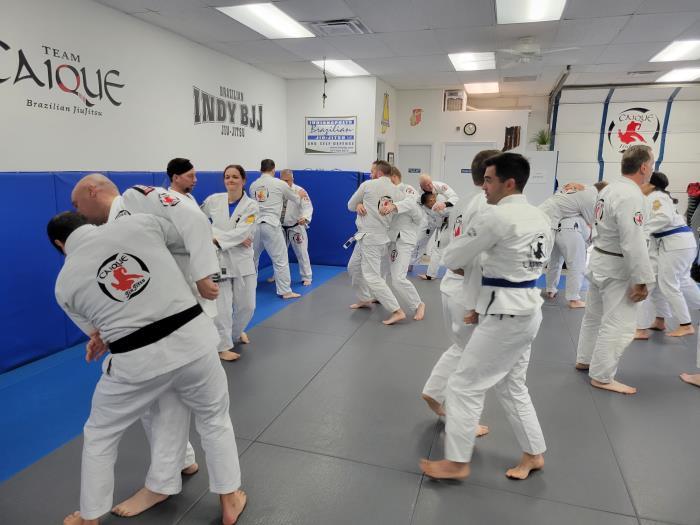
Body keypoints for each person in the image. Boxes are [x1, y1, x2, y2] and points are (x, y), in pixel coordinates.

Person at [48, 211, 246, 525]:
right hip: (194, 343)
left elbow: (97, 332)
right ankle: (229, 497)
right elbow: (192, 240)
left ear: (60, 244)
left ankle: (90, 517)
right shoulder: (138, 223)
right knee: (214, 418)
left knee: (100, 434)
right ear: (88, 223)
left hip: (138, 363)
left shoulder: (64, 284)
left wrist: (104, 334)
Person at [71, 173, 218, 515]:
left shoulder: (137, 200)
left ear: (93, 191)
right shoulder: (112, 227)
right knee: (160, 406)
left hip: (178, 318)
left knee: (166, 405)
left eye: (77, 204)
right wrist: (103, 334)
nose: (79, 212)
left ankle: (162, 484)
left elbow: (195, 220)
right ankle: (183, 461)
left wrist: (203, 272)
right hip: (160, 322)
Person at [420, 152, 552, 481]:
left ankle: (456, 462)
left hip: (506, 315)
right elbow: (509, 267)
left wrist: (476, 287)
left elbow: (454, 257)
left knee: (464, 385)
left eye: (490, 180)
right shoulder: (539, 216)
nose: (484, 186)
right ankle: (534, 453)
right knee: (512, 385)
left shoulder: (496, 217)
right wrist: (479, 305)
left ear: (509, 183)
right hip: (525, 308)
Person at [421, 148, 500, 434]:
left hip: (451, 285)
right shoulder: (487, 206)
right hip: (468, 288)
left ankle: (434, 391)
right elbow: (479, 256)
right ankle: (462, 420)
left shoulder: (464, 201)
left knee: (462, 348)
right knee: (475, 358)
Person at [575, 145, 655, 395]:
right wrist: (641, 279)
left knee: (593, 317)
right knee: (618, 324)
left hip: (600, 260)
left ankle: (585, 359)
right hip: (618, 267)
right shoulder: (631, 195)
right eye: (651, 164)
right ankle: (602, 375)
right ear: (644, 167)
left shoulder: (609, 189)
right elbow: (633, 240)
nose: (652, 169)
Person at [201, 165, 258, 361]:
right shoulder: (213, 200)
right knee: (222, 308)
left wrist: (216, 237)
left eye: (235, 177)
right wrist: (222, 237)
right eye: (227, 177)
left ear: (243, 180)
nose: (230, 180)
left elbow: (243, 232)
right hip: (218, 259)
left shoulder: (251, 205)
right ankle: (222, 346)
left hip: (243, 261)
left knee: (248, 306)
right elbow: (198, 221)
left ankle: (236, 332)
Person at [635, 172, 700, 338]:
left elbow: (663, 217)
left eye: (642, 183)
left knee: (668, 284)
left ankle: (685, 325)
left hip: (676, 244)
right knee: (682, 280)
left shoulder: (656, 196)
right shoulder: (659, 197)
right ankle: (660, 321)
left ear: (651, 185)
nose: (640, 186)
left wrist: (642, 231)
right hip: (681, 243)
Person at [347, 160, 406, 325]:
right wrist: (361, 204)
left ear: (379, 173)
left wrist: (358, 203)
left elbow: (350, 205)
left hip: (372, 238)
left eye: (372, 171)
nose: (370, 174)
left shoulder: (367, 185)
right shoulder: (398, 192)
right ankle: (364, 298)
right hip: (370, 237)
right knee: (353, 267)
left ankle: (397, 310)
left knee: (372, 276)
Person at [540, 182, 607, 308]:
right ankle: (573, 299)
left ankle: (550, 289)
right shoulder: (592, 198)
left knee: (554, 261)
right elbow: (592, 222)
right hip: (565, 227)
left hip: (555, 224)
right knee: (577, 264)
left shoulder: (581, 190)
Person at [249, 159, 305, 299]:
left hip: (255, 225)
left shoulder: (253, 185)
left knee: (252, 258)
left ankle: (248, 288)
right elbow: (295, 199)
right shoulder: (280, 184)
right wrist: (300, 195)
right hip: (271, 225)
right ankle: (285, 291)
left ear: (260, 170)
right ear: (273, 170)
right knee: (280, 259)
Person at [382, 166, 426, 320]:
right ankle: (377, 296)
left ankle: (418, 304)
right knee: (378, 272)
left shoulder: (407, 189)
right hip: (390, 237)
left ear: (393, 177)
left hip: (404, 238)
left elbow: (412, 205)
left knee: (398, 279)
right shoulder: (386, 192)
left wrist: (394, 206)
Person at [280, 169, 314, 286]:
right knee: (279, 254)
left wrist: (305, 217)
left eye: (287, 181)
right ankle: (278, 276)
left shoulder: (300, 191)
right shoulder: (277, 191)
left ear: (292, 179)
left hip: (296, 227)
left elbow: (308, 207)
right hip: (280, 227)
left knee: (302, 253)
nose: (285, 183)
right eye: (283, 181)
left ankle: (306, 276)